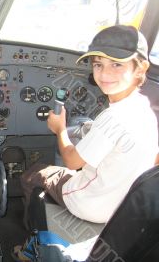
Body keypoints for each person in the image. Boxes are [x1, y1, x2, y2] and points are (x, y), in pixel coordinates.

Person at [20, 25, 158, 226]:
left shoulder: (113, 117)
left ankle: (32, 244)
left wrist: (59, 129)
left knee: (33, 174)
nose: (104, 74)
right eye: (98, 65)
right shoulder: (144, 109)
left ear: (141, 68)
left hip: (93, 206)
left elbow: (71, 162)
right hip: (127, 206)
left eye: (116, 65)